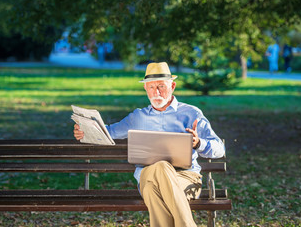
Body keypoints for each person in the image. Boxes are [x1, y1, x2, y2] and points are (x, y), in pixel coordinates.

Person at [73, 62, 225, 227]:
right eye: (151, 87)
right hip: (147, 177)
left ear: (172, 86)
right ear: (146, 88)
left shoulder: (191, 113)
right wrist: (85, 131)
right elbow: (107, 133)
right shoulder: (138, 117)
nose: (156, 92)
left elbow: (219, 149)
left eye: (161, 86)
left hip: (186, 178)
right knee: (160, 167)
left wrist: (199, 143)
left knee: (154, 188)